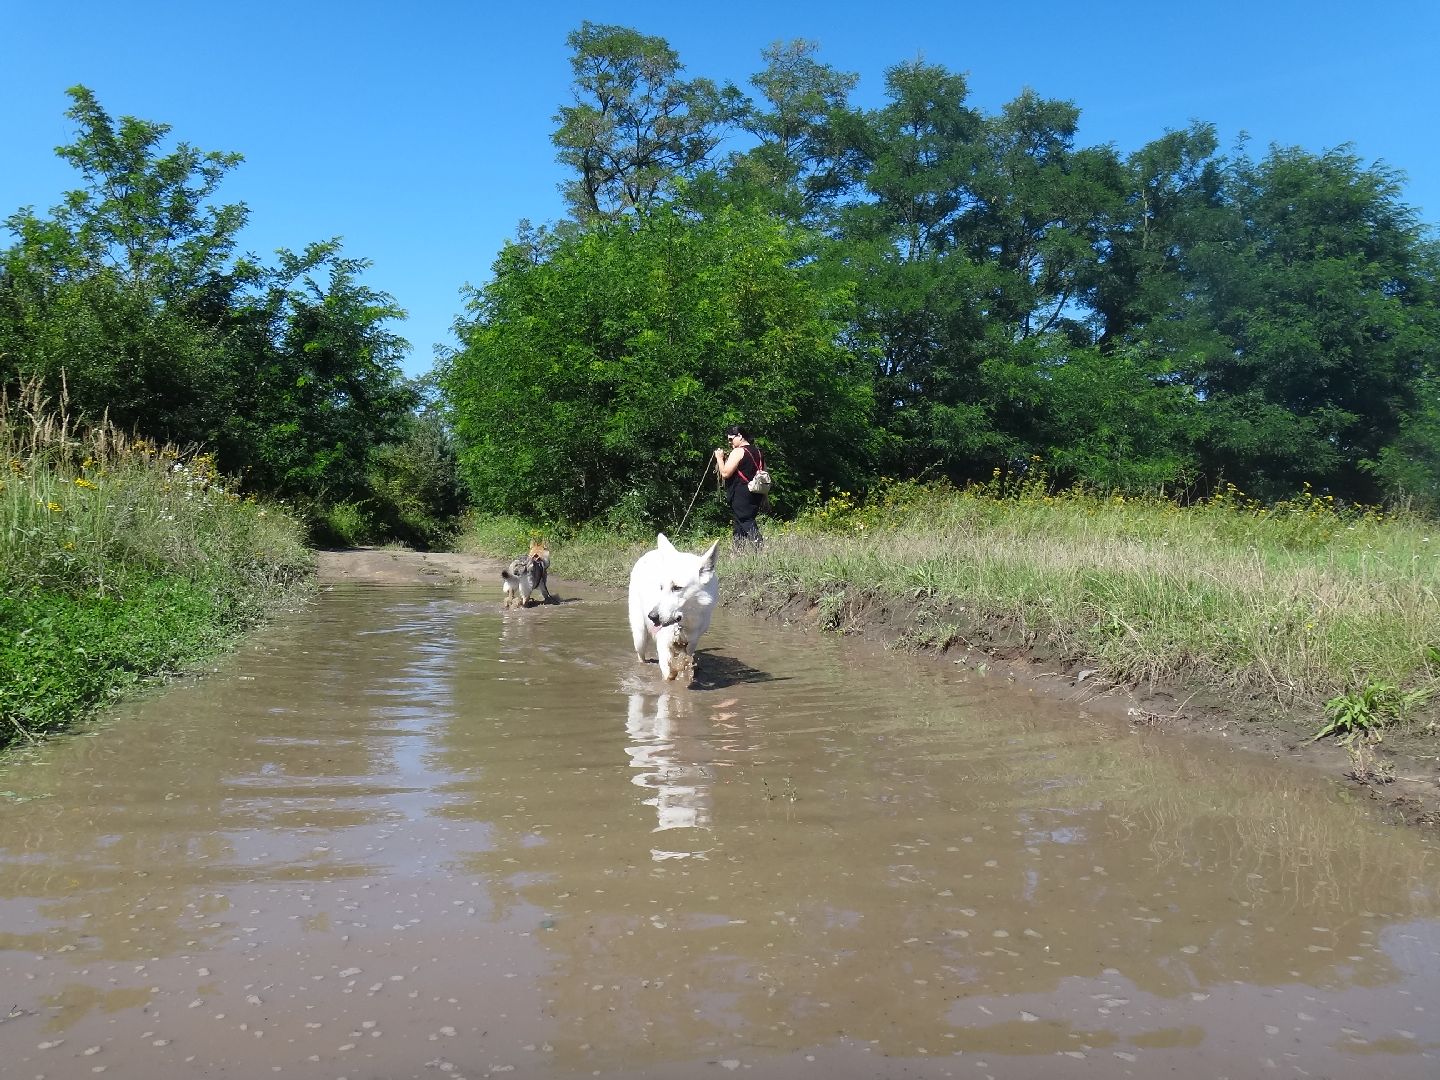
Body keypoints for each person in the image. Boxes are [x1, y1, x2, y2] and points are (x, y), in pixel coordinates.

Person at [713, 423, 765, 550]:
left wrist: (719, 458)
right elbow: (764, 474)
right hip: (756, 492)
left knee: (745, 520)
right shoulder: (758, 452)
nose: (729, 442)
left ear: (740, 436)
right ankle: (738, 552)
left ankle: (759, 546)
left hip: (741, 493)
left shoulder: (738, 451)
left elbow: (725, 473)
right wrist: (765, 497)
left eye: (731, 439)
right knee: (739, 523)